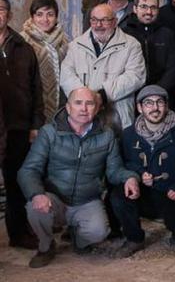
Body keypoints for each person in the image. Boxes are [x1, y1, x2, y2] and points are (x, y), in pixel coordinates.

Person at [18, 87, 139, 268]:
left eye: (89, 103)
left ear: (97, 108)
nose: (84, 108)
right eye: (78, 103)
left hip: (87, 200)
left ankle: (79, 240)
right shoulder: (49, 133)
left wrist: (130, 178)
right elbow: (28, 170)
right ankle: (46, 246)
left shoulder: (106, 135)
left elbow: (115, 171)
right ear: (68, 107)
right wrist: (37, 194)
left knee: (99, 232)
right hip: (54, 198)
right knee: (35, 208)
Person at [110, 85, 175, 258]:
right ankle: (134, 238)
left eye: (159, 102)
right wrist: (138, 174)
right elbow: (124, 162)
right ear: (139, 107)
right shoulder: (129, 134)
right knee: (118, 195)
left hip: (174, 192)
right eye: (148, 103)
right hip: (145, 193)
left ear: (166, 105)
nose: (155, 108)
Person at [0, 0, 45, 250]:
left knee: (16, 182)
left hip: (18, 126)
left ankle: (19, 233)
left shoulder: (22, 47)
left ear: (9, 14)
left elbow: (36, 88)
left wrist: (35, 124)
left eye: (2, 9)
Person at [60, 3, 146, 130]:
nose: (98, 25)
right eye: (94, 20)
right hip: (82, 116)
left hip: (118, 117)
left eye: (104, 20)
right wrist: (85, 98)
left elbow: (136, 76)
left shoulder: (132, 45)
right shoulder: (75, 45)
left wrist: (102, 95)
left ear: (115, 22)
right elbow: (66, 75)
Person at [120, 0, 175, 98]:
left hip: (162, 95)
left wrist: (156, 92)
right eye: (144, 7)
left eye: (153, 7)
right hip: (131, 95)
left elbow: (174, 68)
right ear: (135, 8)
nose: (149, 12)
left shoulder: (167, 34)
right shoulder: (123, 33)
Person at [20, 0, 70, 123]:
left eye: (50, 14)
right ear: (32, 17)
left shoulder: (65, 40)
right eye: (39, 14)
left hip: (62, 103)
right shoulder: (23, 40)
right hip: (33, 104)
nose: (45, 19)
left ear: (56, 17)